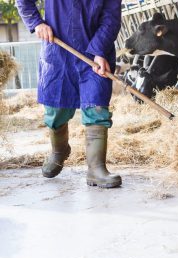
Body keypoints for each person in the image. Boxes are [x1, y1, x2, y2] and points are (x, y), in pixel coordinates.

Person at [16, 0, 123, 188]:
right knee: (56, 110)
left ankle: (96, 169)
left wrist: (99, 50)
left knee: (97, 107)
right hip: (58, 52)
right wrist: (36, 22)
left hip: (94, 54)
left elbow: (111, 18)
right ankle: (60, 150)